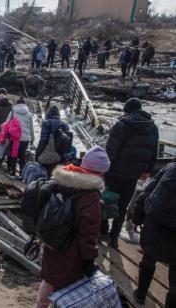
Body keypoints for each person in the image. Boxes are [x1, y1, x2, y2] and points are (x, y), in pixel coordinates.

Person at [36, 146, 111, 308]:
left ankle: (40, 305)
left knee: (49, 279)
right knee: (67, 287)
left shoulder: (63, 180)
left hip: (53, 242)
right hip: (72, 251)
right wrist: (89, 260)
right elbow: (88, 233)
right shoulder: (91, 195)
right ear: (101, 172)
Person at [102, 98, 159, 248]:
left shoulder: (122, 125)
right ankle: (114, 238)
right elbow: (154, 152)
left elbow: (111, 150)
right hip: (133, 175)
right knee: (122, 206)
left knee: (107, 201)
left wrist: (103, 167)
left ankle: (102, 232)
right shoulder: (152, 127)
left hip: (114, 172)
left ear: (127, 110)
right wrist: (148, 170)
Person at [133, 161, 176, 307]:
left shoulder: (170, 168)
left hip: (155, 224)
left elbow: (147, 192)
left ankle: (140, 295)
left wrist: (137, 216)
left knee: (149, 257)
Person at [35, 106, 73, 174]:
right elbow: (68, 141)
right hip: (62, 155)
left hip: (49, 154)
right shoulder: (65, 124)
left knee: (45, 174)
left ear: (48, 114)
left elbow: (43, 140)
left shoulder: (47, 123)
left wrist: (37, 153)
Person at [6, 97, 34, 176]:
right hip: (25, 139)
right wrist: (32, 138)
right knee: (22, 156)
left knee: (14, 154)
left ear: (17, 104)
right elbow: (31, 127)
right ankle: (22, 173)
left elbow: (7, 123)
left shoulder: (12, 112)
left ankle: (12, 172)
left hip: (15, 138)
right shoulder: (29, 114)